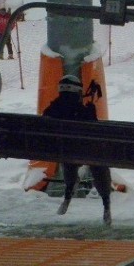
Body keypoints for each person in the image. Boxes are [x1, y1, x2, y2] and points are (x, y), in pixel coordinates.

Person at [42, 75, 113, 225]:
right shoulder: (84, 112)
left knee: (68, 155)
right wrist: (91, 112)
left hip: (64, 152)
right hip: (88, 153)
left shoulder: (51, 110)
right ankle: (106, 202)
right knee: (97, 161)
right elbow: (95, 134)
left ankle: (68, 192)